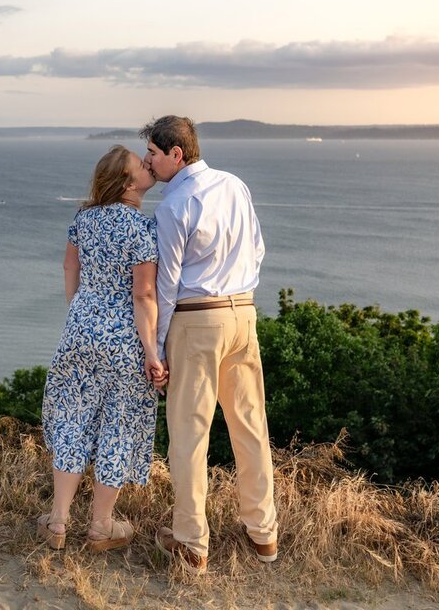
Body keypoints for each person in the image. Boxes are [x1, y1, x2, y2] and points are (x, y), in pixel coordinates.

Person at [141, 115, 279, 574]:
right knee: (250, 426)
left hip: (198, 321)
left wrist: (156, 350)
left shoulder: (173, 206)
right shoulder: (235, 185)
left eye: (154, 154)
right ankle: (263, 534)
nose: (149, 162)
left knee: (189, 434)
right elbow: (258, 249)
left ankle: (191, 544)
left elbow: (166, 285)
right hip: (244, 312)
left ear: (176, 154)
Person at [39, 144, 169, 552]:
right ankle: (101, 526)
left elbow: (69, 268)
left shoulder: (84, 218)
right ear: (129, 183)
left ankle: (58, 522)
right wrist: (152, 352)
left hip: (80, 330)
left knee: (74, 417)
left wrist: (81, 311)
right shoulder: (140, 228)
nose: (148, 165)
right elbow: (144, 295)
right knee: (118, 424)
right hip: (124, 340)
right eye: (141, 165)